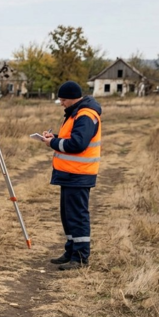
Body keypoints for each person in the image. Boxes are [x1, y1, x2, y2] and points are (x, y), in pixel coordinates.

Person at [40, 81, 102, 271]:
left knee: (77, 216)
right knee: (68, 216)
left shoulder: (85, 115)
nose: (61, 103)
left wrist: (53, 143)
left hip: (79, 175)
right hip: (69, 174)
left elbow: (77, 144)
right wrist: (55, 138)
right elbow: (71, 138)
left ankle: (81, 257)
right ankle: (71, 251)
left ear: (74, 98)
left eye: (63, 100)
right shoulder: (76, 113)